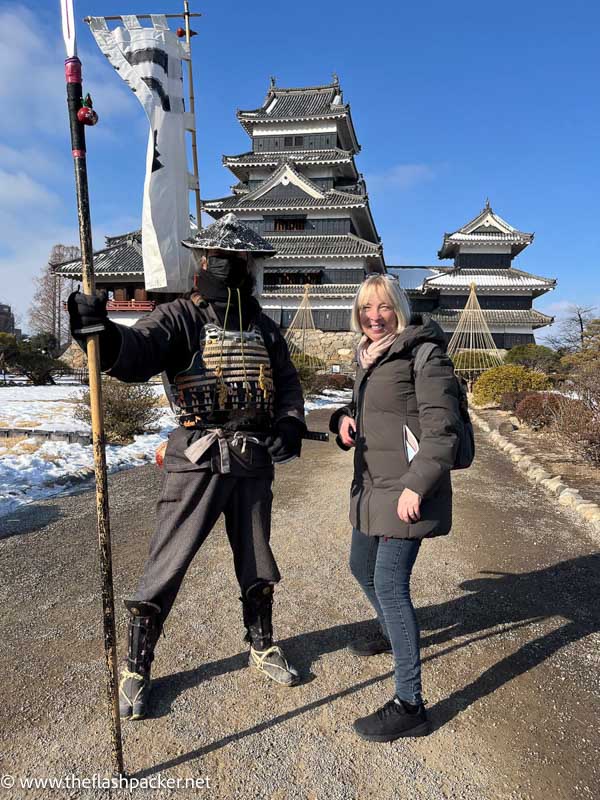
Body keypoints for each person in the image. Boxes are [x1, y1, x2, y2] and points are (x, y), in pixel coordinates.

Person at [68, 214, 306, 721]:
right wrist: (102, 331)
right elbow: (136, 354)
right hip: (196, 455)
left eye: (241, 260)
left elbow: (286, 385)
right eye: (221, 258)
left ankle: (261, 643)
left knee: (258, 558)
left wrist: (288, 423)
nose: (231, 266)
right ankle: (135, 664)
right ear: (202, 260)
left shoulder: (264, 327)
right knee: (167, 561)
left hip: (253, 458)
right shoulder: (180, 317)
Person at [329, 274, 462, 742]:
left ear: (399, 308)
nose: (374, 316)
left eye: (384, 307)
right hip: (371, 486)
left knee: (389, 583)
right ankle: (391, 633)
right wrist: (342, 419)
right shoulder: (368, 356)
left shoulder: (424, 354)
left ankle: (411, 704)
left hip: (405, 490)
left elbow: (441, 429)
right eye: (367, 308)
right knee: (359, 566)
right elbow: (366, 407)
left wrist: (416, 486)